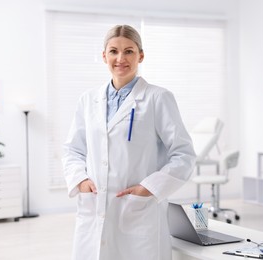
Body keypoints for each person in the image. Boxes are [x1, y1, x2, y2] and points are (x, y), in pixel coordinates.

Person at [62, 24, 196, 260]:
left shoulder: (158, 98)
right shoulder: (88, 100)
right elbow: (73, 149)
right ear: (104, 56)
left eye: (129, 51)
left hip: (138, 211)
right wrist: (80, 180)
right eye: (113, 51)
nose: (120, 58)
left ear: (140, 56)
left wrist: (149, 188)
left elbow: (184, 155)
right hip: (95, 207)